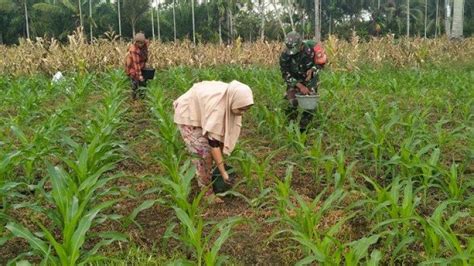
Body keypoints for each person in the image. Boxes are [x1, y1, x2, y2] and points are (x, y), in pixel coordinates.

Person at [173, 80, 254, 203]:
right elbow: (214, 143)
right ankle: (207, 194)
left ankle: (210, 176)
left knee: (212, 153)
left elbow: (221, 136)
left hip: (202, 107)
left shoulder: (231, 97)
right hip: (189, 114)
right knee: (203, 155)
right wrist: (223, 172)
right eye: (241, 109)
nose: (242, 113)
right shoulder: (218, 108)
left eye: (246, 109)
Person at [279, 31, 326, 132]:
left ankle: (303, 128)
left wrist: (313, 69)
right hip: (294, 79)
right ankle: (291, 127)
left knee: (310, 103)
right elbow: (285, 74)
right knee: (292, 102)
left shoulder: (313, 47)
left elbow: (321, 63)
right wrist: (299, 86)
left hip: (310, 78)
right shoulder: (285, 55)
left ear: (301, 44)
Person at [125, 32, 149, 99]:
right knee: (135, 83)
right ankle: (134, 99)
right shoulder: (134, 50)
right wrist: (139, 75)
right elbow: (136, 64)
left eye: (142, 43)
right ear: (136, 42)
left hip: (141, 67)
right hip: (133, 68)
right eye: (139, 43)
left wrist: (145, 63)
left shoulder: (145, 45)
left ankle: (142, 98)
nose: (141, 44)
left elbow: (145, 55)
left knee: (143, 84)